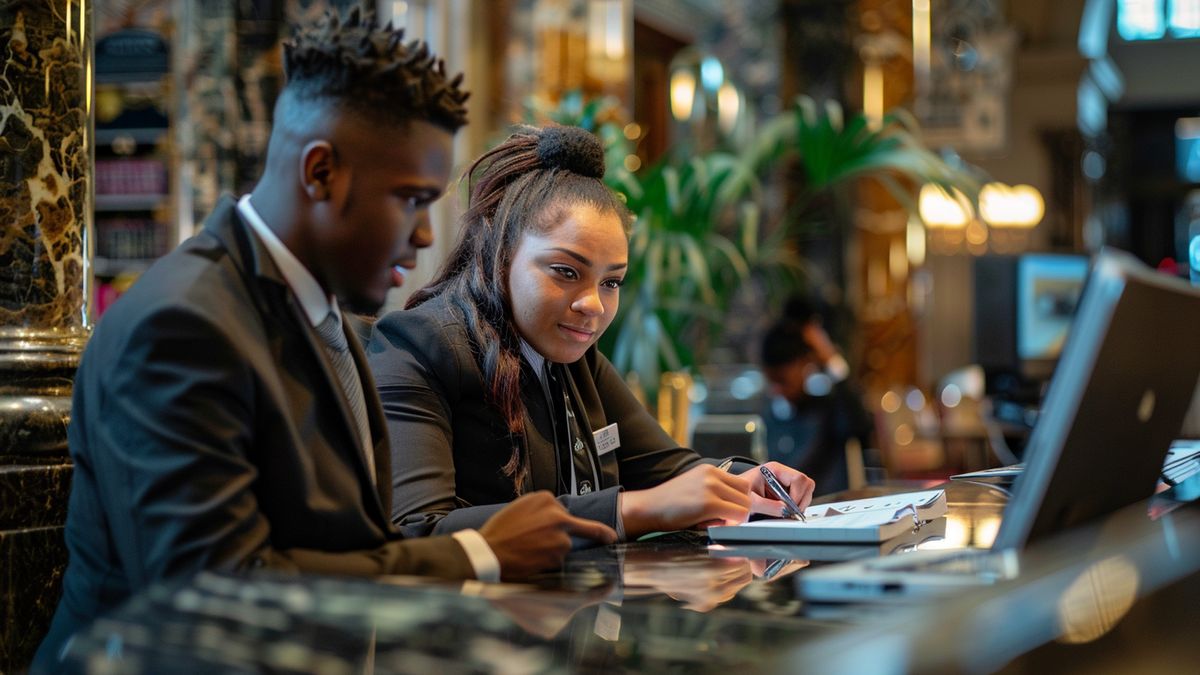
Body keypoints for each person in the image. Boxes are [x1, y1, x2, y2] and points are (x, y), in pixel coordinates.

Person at [35, 11, 614, 671]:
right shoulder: (181, 323)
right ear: (320, 173)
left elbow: (351, 545)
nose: (426, 236)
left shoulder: (325, 313)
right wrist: (476, 552)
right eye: (410, 199)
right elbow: (208, 592)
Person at [366, 125, 816, 540]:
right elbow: (416, 530)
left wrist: (743, 484)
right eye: (565, 271)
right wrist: (630, 511)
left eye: (611, 282)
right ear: (500, 255)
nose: (593, 305)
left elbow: (668, 470)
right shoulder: (420, 345)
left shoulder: (577, 361)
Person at [760, 299, 875, 494]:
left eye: (783, 381)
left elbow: (861, 425)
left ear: (805, 365)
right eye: (772, 381)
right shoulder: (767, 417)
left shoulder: (829, 409)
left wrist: (832, 360)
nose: (776, 390)